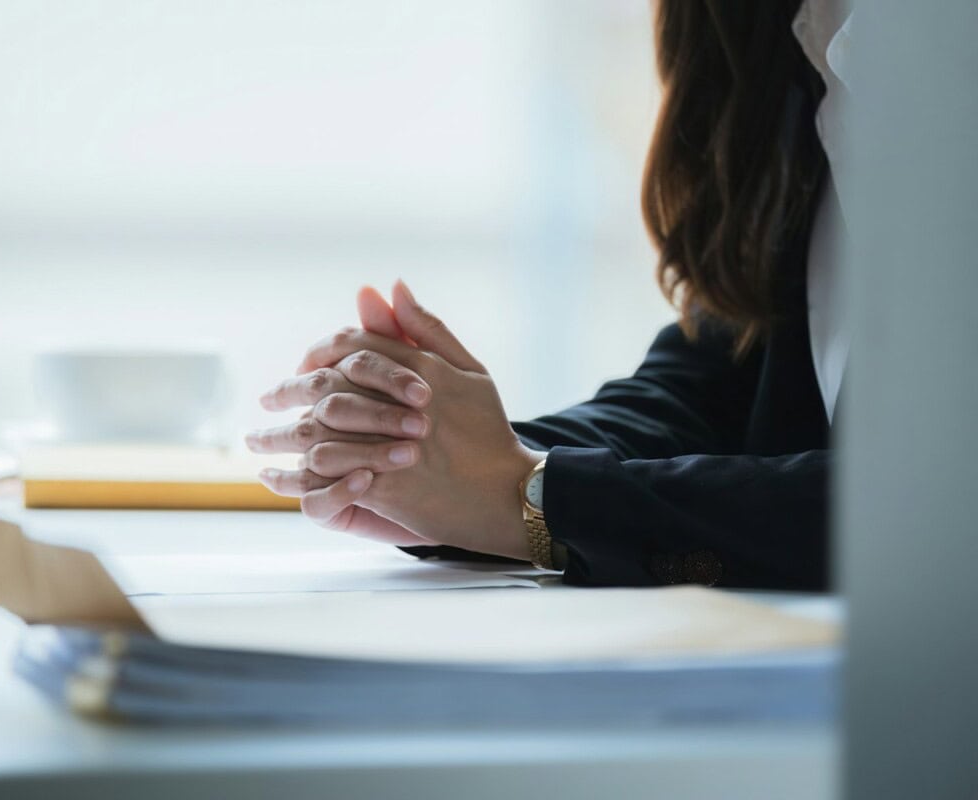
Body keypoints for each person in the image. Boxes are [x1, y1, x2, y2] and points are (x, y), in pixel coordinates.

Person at [246, 0, 851, 590]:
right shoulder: (785, 40)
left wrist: (533, 497)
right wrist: (436, 461)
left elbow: (931, 502)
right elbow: (710, 394)